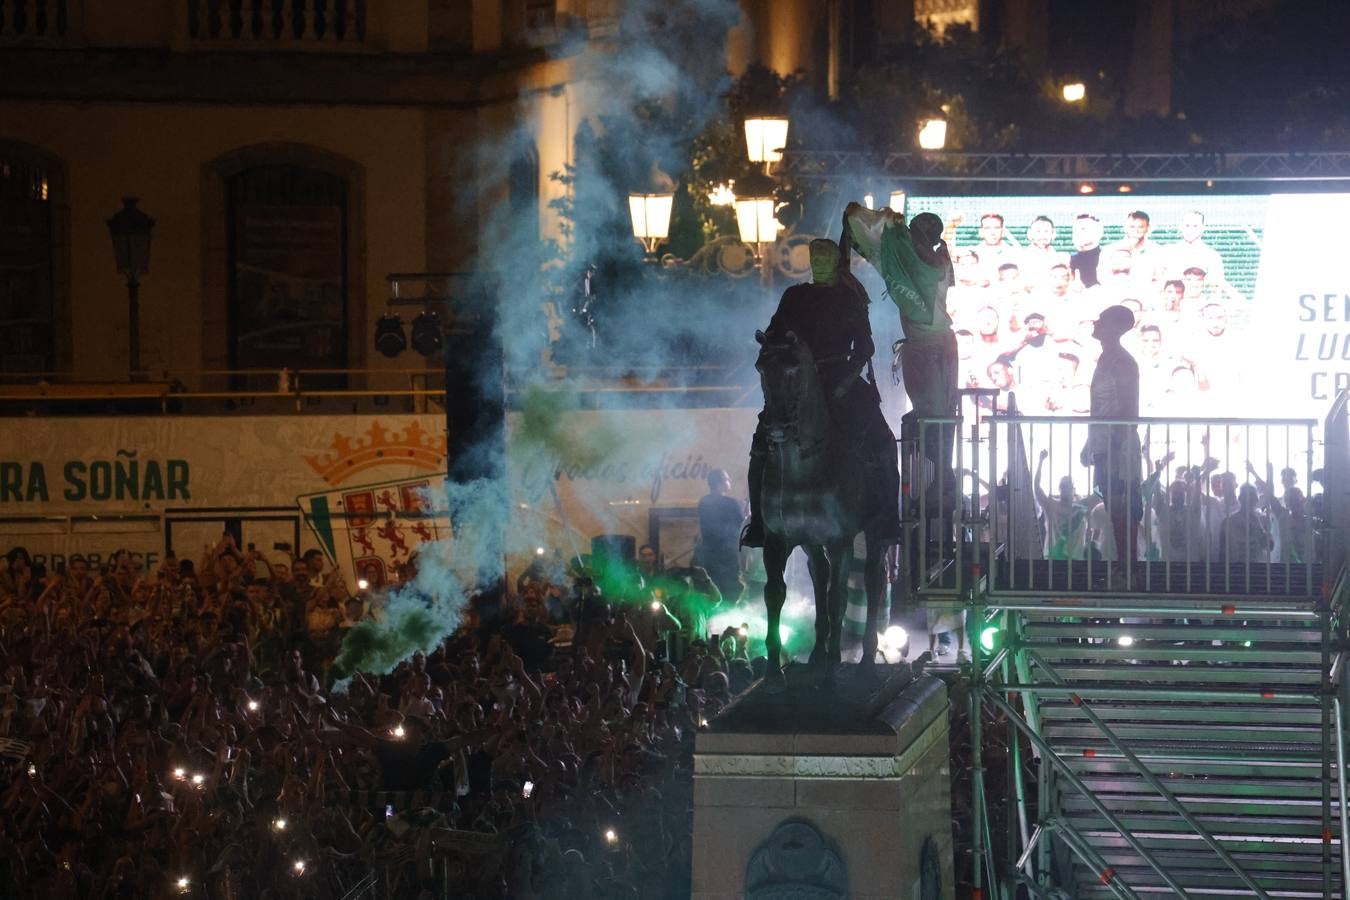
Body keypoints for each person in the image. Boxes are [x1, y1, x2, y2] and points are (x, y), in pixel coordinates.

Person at [741, 237, 900, 548]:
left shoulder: (851, 297)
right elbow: (775, 331)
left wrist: (848, 378)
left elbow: (865, 345)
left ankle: (887, 516)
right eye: (815, 256)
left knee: (882, 440)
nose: (820, 261)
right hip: (796, 379)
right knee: (761, 444)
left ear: (835, 261)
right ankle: (759, 522)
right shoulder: (794, 296)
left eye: (826, 256)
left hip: (842, 378)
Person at [844, 204, 958, 515]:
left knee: (935, 416)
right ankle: (936, 478)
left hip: (931, 348)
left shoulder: (929, 261)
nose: (915, 237)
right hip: (929, 347)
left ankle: (940, 479)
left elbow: (899, 256)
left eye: (919, 231)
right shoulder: (925, 259)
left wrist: (894, 232)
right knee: (929, 415)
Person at [1080, 305, 1142, 582]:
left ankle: (1128, 565)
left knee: (1121, 506)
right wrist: (1090, 442)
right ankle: (1124, 563)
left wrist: (1116, 445)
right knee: (1114, 505)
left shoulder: (1122, 361)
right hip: (1106, 444)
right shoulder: (1108, 358)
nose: (1096, 322)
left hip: (1117, 445)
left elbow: (1128, 409)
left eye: (1101, 320)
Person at [697, 469, 746, 602]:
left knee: (714, 593)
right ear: (720, 483)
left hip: (709, 556)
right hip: (728, 557)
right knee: (730, 593)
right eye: (727, 479)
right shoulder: (731, 503)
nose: (729, 482)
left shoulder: (703, 502)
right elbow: (743, 527)